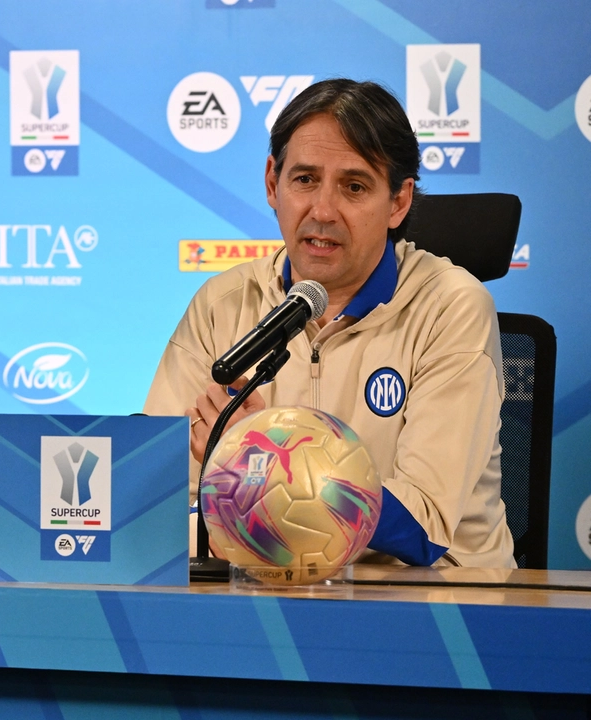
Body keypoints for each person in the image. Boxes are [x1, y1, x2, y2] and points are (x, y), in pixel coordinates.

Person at [144, 79, 514, 568]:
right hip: (264, 594)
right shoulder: (224, 304)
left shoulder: (451, 307)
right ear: (273, 183)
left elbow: (425, 524)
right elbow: (158, 496)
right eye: (304, 180)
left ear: (399, 202)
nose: (322, 211)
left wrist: (268, 460)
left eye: (354, 187)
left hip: (431, 607)